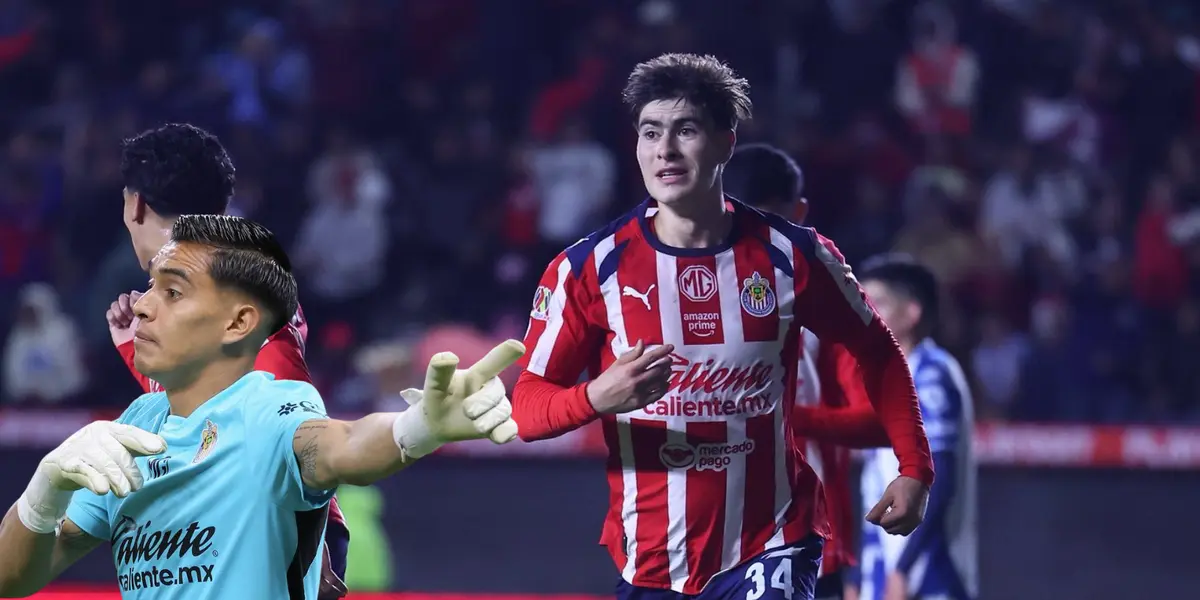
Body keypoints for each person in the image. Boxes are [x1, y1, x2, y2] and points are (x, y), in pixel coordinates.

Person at [510, 53, 934, 600]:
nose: (664, 150)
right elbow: (527, 408)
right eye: (650, 132)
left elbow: (877, 353)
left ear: (726, 142)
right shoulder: (587, 269)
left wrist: (914, 466)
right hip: (651, 559)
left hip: (773, 541)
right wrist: (595, 395)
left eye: (685, 130)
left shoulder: (794, 255)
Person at [0, 214, 523, 599]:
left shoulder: (270, 408)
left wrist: (418, 427)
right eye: (148, 288)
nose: (140, 304)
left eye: (173, 292)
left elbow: (338, 447)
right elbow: (13, 579)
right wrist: (45, 491)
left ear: (238, 323)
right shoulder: (134, 428)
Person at [102, 123, 352, 597]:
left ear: (134, 204)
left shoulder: (234, 283)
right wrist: (137, 352)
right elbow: (211, 401)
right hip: (218, 517)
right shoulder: (200, 284)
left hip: (271, 525)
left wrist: (310, 550)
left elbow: (289, 415)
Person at [723, 143, 888, 600]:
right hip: (705, 545)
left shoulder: (827, 300)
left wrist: (784, 415)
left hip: (806, 545)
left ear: (799, 213)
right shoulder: (680, 294)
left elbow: (878, 420)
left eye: (772, 221)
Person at [818, 255, 977, 600]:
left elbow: (939, 478)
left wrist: (902, 571)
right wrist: (857, 576)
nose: (865, 312)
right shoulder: (885, 381)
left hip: (930, 575)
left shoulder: (933, 374)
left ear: (911, 314)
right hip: (885, 571)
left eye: (877, 303)